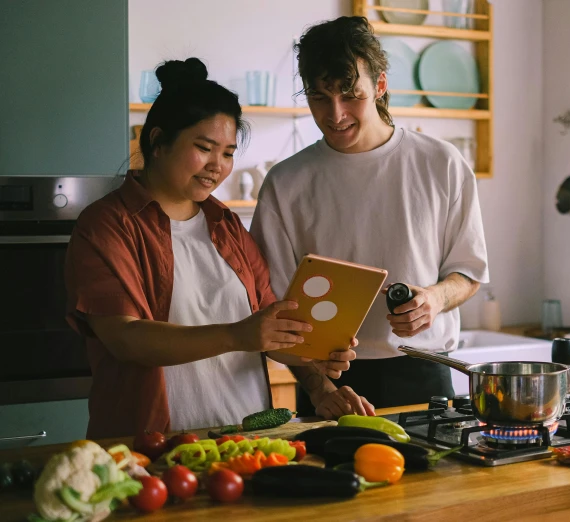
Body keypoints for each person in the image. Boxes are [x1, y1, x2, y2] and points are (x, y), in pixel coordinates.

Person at [65, 58, 355, 438]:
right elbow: (126, 339)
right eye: (204, 148)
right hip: (150, 446)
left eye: (229, 153)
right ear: (157, 141)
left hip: (246, 441)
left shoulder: (228, 225)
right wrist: (237, 335)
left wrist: (320, 381)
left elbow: (267, 326)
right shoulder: (106, 225)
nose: (217, 166)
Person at [250, 17, 489, 419]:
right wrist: (319, 386)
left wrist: (434, 298)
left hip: (426, 371)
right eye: (319, 97)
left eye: (350, 94)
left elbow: (468, 273)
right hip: (329, 381)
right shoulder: (285, 183)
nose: (335, 113)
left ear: (379, 86)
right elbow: (272, 309)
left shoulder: (441, 163)